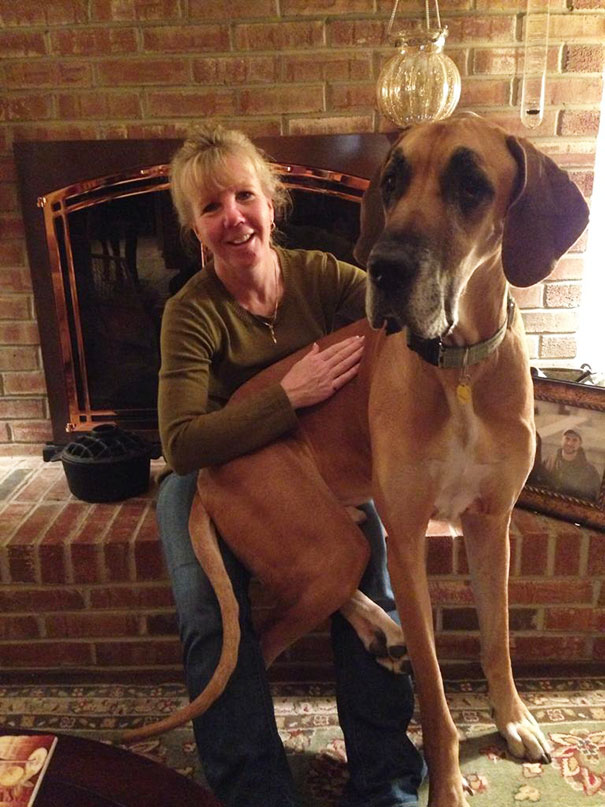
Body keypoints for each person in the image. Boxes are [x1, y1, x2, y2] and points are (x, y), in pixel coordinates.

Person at [157, 123, 425, 807]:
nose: (232, 218)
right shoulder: (190, 310)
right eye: (210, 207)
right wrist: (286, 396)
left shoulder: (323, 276)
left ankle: (386, 780)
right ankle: (256, 792)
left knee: (374, 577)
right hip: (205, 467)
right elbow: (183, 442)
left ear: (271, 204)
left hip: (316, 463)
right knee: (208, 614)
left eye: (244, 196)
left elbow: (401, 329)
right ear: (195, 227)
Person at [543, 428, 601, 500]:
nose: (570, 443)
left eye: (574, 440)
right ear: (561, 440)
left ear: (580, 444)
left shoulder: (590, 471)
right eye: (567, 439)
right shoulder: (549, 461)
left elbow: (592, 497)